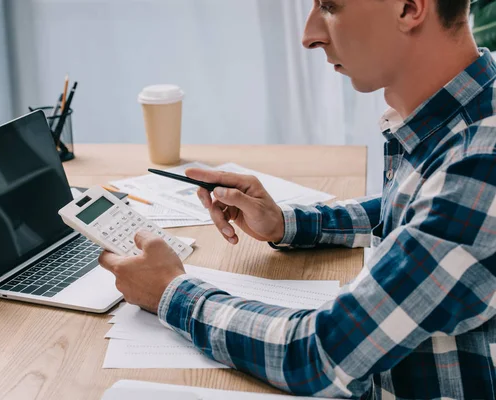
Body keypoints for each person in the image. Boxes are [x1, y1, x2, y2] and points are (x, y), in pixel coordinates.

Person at [99, 0, 496, 398]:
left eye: (328, 6)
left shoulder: (480, 166)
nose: (309, 36)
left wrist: (170, 293)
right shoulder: (468, 117)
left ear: (409, 8)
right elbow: (412, 208)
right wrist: (286, 223)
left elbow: (320, 354)